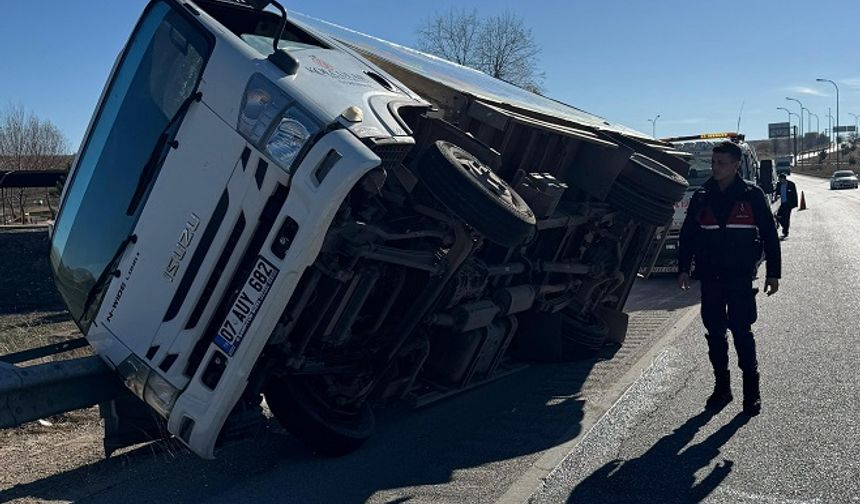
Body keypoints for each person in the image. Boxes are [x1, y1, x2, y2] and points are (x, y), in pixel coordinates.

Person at [678, 141, 781, 416]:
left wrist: (773, 273)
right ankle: (722, 388)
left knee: (742, 332)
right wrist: (683, 268)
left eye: (721, 163)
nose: (715, 167)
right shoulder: (702, 196)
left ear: (736, 165)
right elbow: (688, 235)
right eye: (713, 163)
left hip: (739, 278)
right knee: (714, 334)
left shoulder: (752, 195)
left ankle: (752, 393)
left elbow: (770, 234)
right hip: (710, 277)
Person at [775, 173, 798, 238]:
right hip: (780, 204)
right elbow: (776, 193)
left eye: (780, 179)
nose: (779, 181)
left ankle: (785, 231)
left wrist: (794, 204)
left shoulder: (791, 184)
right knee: (778, 216)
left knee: (786, 218)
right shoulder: (778, 185)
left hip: (788, 204)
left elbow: (794, 195)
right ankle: (784, 226)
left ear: (783, 179)